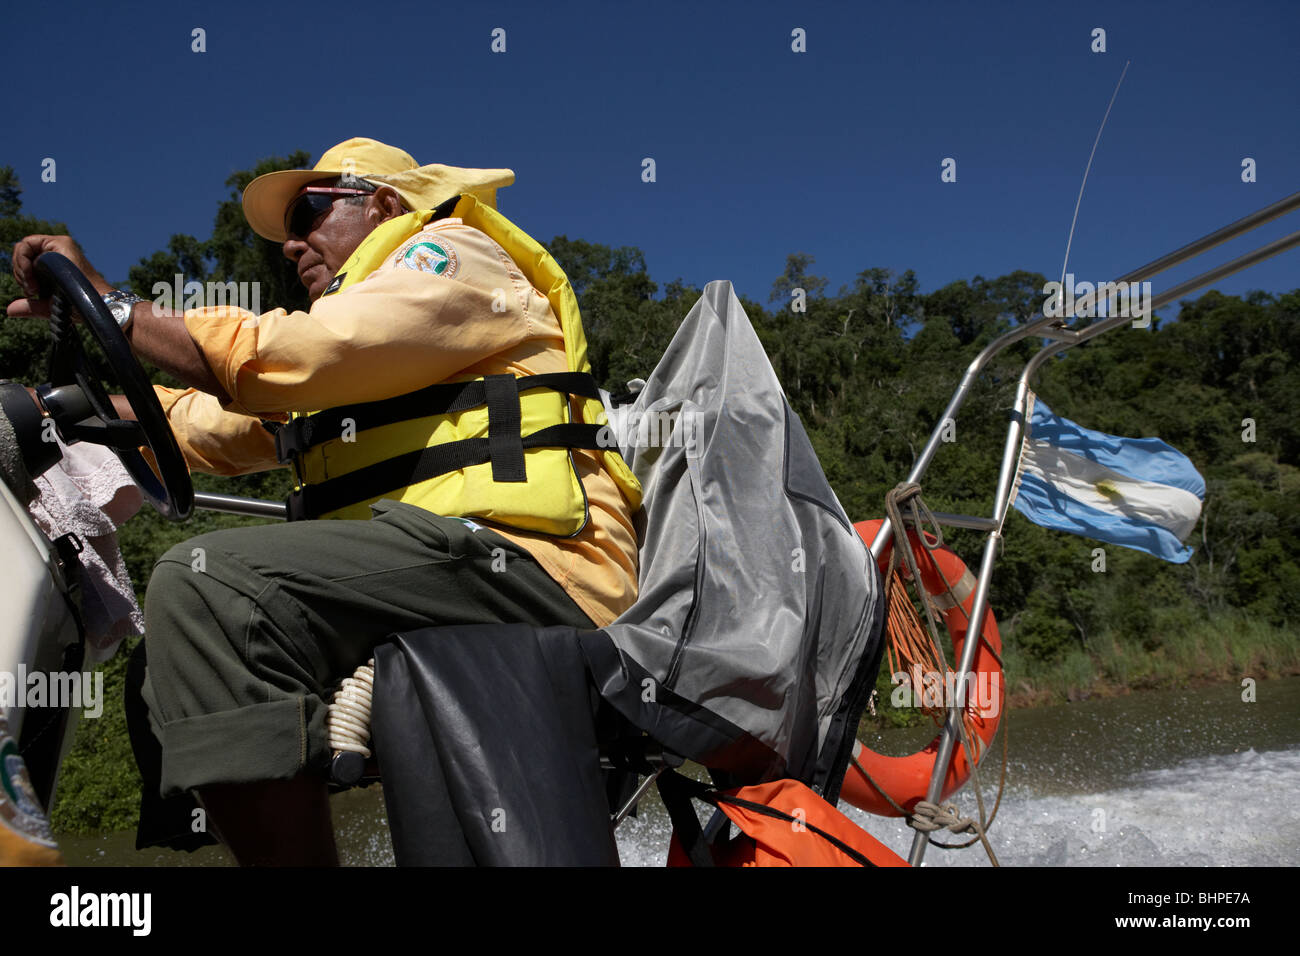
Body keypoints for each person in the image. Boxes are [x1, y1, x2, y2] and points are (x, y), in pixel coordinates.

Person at [7, 137, 642, 865]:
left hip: (535, 571)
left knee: (205, 587)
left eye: (308, 213)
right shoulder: (364, 344)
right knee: (166, 664)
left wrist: (117, 306)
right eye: (287, 231)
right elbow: (201, 422)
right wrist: (46, 415)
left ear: (384, 203)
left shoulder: (451, 259)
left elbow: (310, 354)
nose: (290, 244)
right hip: (434, 579)